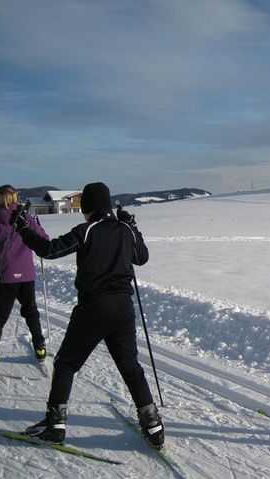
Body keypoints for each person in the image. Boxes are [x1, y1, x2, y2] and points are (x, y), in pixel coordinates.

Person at [10, 182, 164, 449]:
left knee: (66, 364)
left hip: (94, 307)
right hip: (123, 309)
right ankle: (153, 426)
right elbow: (142, 257)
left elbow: (49, 250)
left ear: (88, 207)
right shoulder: (124, 229)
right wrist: (132, 226)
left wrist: (23, 229)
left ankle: (54, 426)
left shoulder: (86, 230)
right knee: (130, 366)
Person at [0, 185, 48, 372]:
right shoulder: (26, 218)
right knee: (31, 312)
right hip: (26, 274)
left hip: (6, 276)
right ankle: (40, 348)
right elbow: (44, 238)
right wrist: (38, 227)